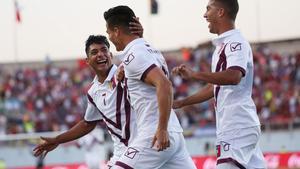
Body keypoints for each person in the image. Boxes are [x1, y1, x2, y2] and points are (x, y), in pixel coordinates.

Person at [172, 0, 266, 168]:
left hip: (237, 125)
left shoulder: (236, 43)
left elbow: (233, 76)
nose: (205, 14)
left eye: (208, 9)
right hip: (236, 125)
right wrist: (182, 102)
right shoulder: (221, 46)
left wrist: (195, 75)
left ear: (221, 12)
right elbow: (214, 87)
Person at [33, 25, 143, 168]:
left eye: (104, 50)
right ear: (88, 60)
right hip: (120, 153)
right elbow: (87, 123)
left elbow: (148, 70)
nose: (100, 54)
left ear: (110, 55)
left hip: (140, 149)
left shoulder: (126, 72)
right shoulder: (93, 91)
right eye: (94, 52)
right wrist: (57, 140)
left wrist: (139, 40)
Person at [104, 5, 196, 169]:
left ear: (117, 31)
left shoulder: (135, 55)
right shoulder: (151, 50)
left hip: (154, 133)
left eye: (109, 32)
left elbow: (164, 85)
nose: (110, 37)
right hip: (174, 133)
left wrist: (161, 129)